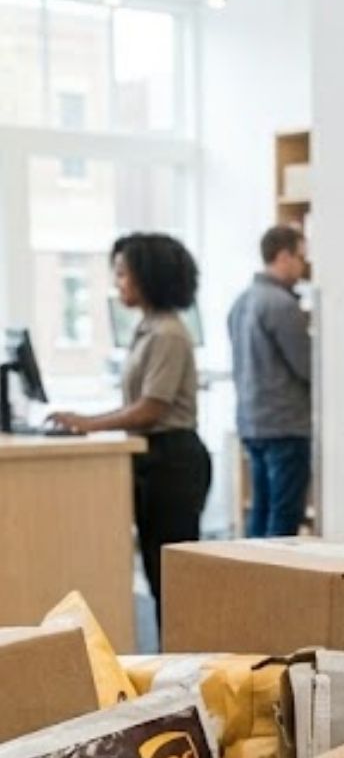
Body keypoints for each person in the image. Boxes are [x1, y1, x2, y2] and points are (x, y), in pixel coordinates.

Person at [50, 233, 212, 626]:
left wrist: (89, 424)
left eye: (123, 274)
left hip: (173, 460)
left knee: (171, 578)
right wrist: (88, 421)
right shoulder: (149, 329)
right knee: (158, 575)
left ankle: (183, 664)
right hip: (154, 459)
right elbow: (136, 408)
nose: (118, 282)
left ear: (148, 277)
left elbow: (150, 410)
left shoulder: (168, 334)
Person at [228, 225, 312, 538]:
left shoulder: (241, 302)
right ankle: (278, 584)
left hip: (252, 423)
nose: (303, 267)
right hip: (285, 424)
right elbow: (306, 366)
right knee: (284, 515)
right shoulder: (282, 305)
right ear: (283, 256)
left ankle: (254, 583)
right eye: (300, 258)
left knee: (260, 509)